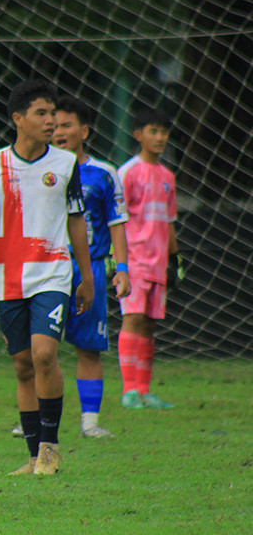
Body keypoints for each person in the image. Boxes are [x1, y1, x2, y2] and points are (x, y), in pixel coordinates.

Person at [0, 79, 94, 476]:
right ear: (19, 119)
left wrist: (85, 275)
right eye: (42, 113)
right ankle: (34, 455)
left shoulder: (66, 164)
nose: (51, 120)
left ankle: (51, 450)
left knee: (44, 354)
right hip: (8, 278)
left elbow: (76, 220)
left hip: (53, 273)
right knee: (22, 365)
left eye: (53, 113)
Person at [51, 95, 131, 436]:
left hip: (92, 269)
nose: (58, 132)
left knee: (89, 346)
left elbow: (116, 222)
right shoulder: (41, 170)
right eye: (53, 125)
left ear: (83, 130)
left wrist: (123, 268)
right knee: (41, 346)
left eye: (66, 125)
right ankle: (38, 416)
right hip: (49, 268)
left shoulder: (103, 173)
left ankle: (90, 423)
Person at [117, 109, 179, 409]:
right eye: (153, 131)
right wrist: (118, 261)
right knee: (133, 318)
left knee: (150, 324)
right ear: (139, 134)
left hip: (157, 263)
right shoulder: (128, 172)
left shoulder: (168, 176)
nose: (160, 137)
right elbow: (115, 218)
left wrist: (175, 258)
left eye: (164, 132)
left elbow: (168, 220)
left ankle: (144, 389)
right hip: (134, 261)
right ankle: (129, 390)